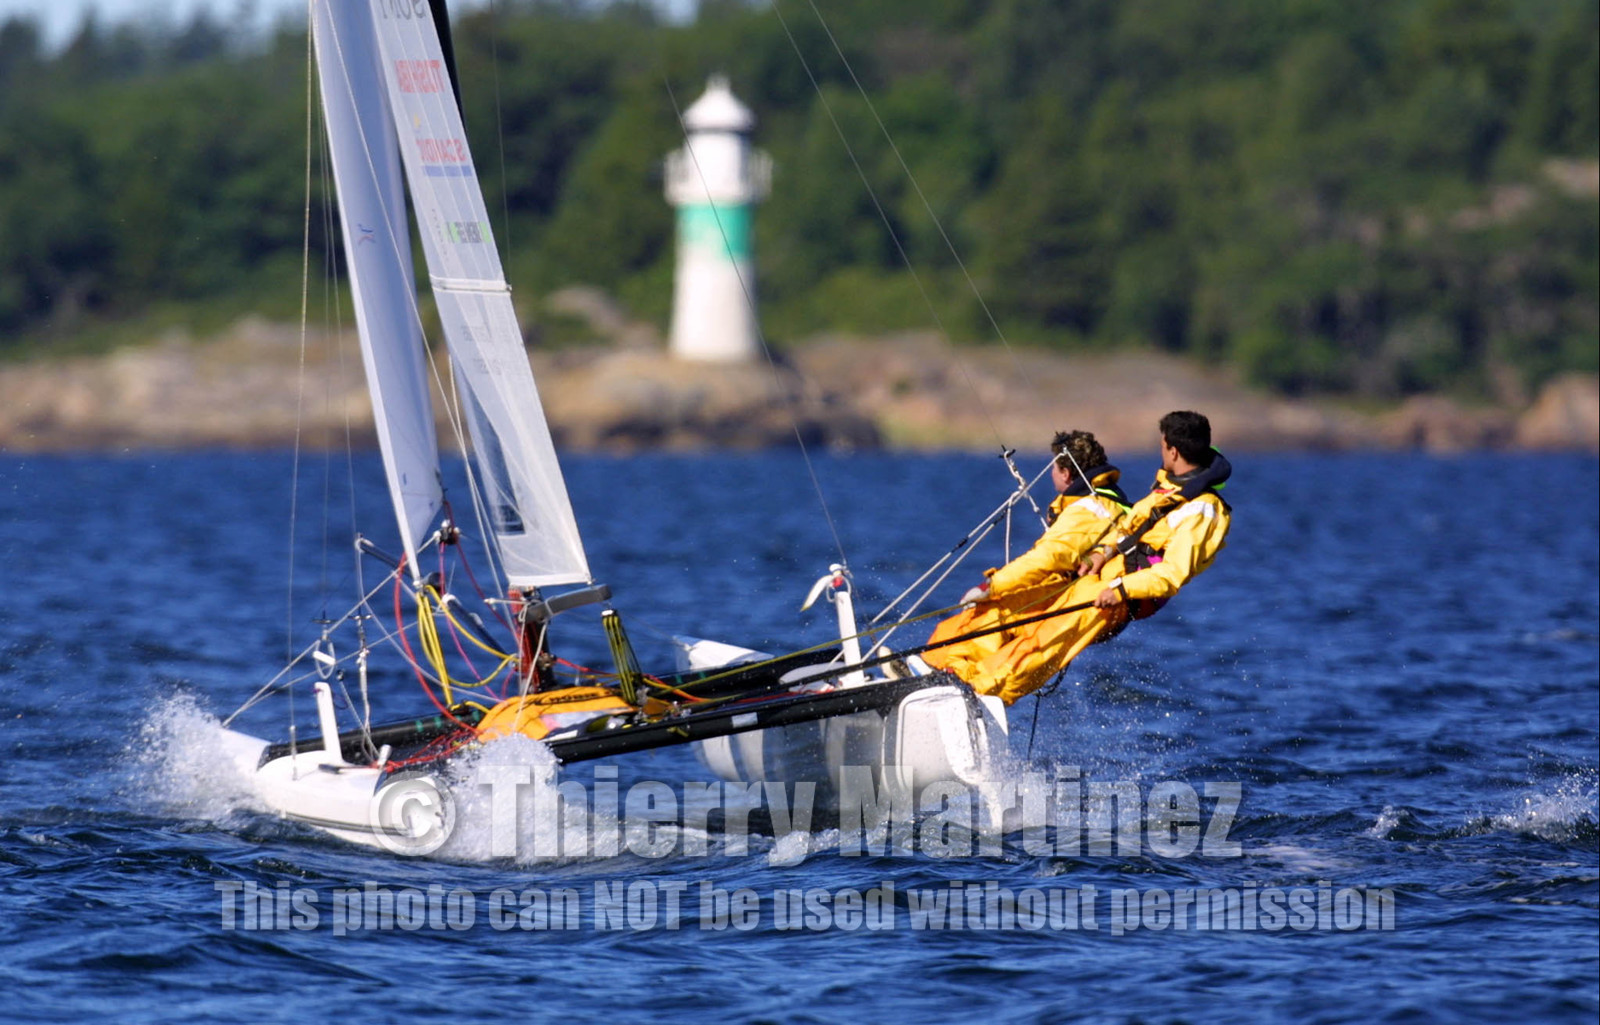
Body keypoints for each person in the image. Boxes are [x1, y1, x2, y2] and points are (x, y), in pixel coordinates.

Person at [931, 411, 1231, 705]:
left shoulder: (1203, 510)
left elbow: (1172, 574)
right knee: (1007, 614)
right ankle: (941, 669)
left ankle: (973, 690)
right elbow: (1128, 531)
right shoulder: (1168, 489)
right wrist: (1101, 554)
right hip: (1098, 579)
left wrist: (1120, 590)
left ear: (1173, 450)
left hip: (1120, 595)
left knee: (1043, 644)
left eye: (1162, 445)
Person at [921, 430, 1131, 686]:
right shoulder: (1099, 503)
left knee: (1030, 648)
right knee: (994, 612)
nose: (1052, 472)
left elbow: (1047, 558)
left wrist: (991, 586)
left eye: (1054, 467)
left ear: (1065, 473)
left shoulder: (1089, 510)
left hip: (1101, 598)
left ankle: (971, 685)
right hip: (1082, 590)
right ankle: (935, 669)